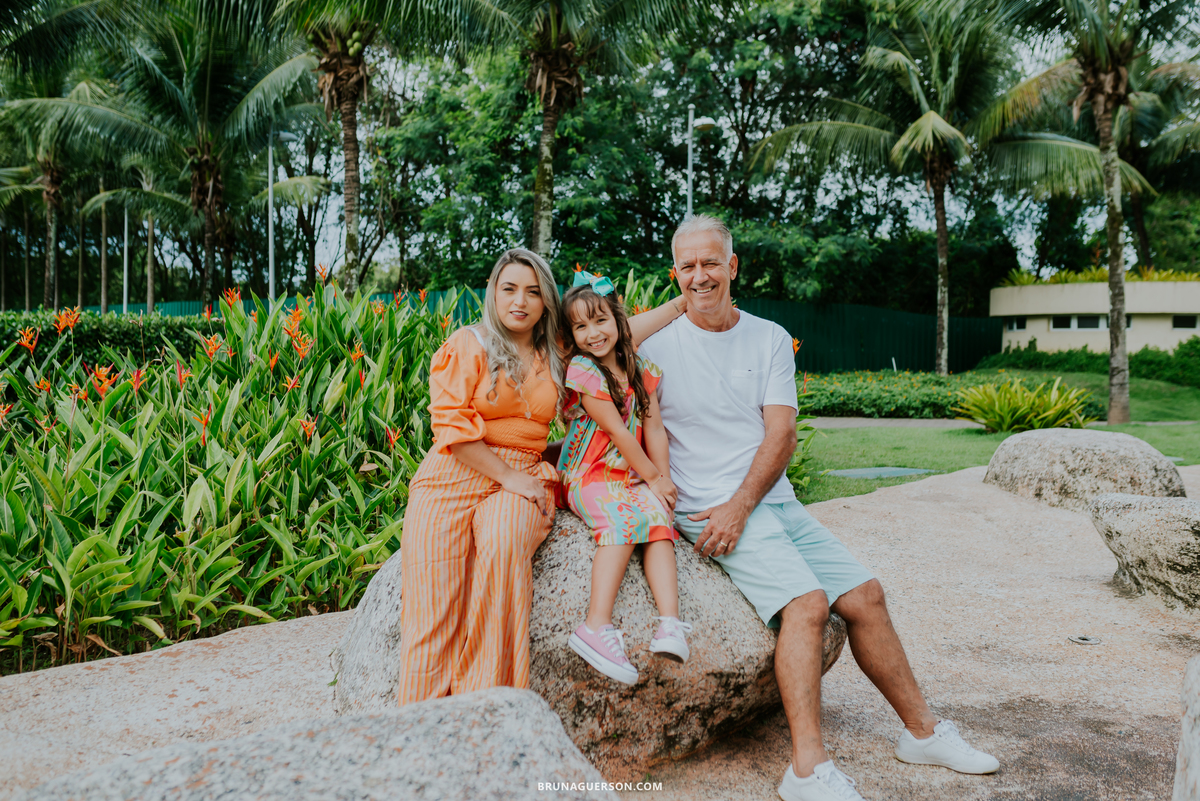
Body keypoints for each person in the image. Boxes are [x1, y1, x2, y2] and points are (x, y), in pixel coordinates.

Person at [638, 215, 999, 801]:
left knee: (866, 596)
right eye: (686, 266)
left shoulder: (770, 337)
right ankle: (806, 770)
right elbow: (584, 343)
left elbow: (780, 435)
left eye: (711, 263)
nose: (699, 276)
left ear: (734, 267)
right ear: (673, 273)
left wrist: (744, 505)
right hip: (706, 506)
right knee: (806, 606)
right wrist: (681, 307)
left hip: (765, 502)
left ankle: (923, 734)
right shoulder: (654, 343)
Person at [396, 249, 685, 705]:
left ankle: (489, 714)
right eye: (509, 288)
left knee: (504, 557)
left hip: (525, 475)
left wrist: (683, 300)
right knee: (433, 604)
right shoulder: (467, 344)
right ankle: (419, 723)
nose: (520, 301)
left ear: (547, 301)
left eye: (533, 292)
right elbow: (451, 428)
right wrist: (510, 476)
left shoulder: (558, 350)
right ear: (493, 292)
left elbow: (623, 331)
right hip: (456, 472)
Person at [557, 273, 691, 686]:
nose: (593, 334)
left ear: (619, 321)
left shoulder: (640, 367)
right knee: (620, 521)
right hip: (589, 473)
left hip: (631, 473)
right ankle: (595, 625)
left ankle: (670, 623)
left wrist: (662, 482)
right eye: (580, 327)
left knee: (657, 519)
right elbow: (616, 431)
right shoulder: (583, 370)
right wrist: (651, 475)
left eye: (600, 322)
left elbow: (653, 429)